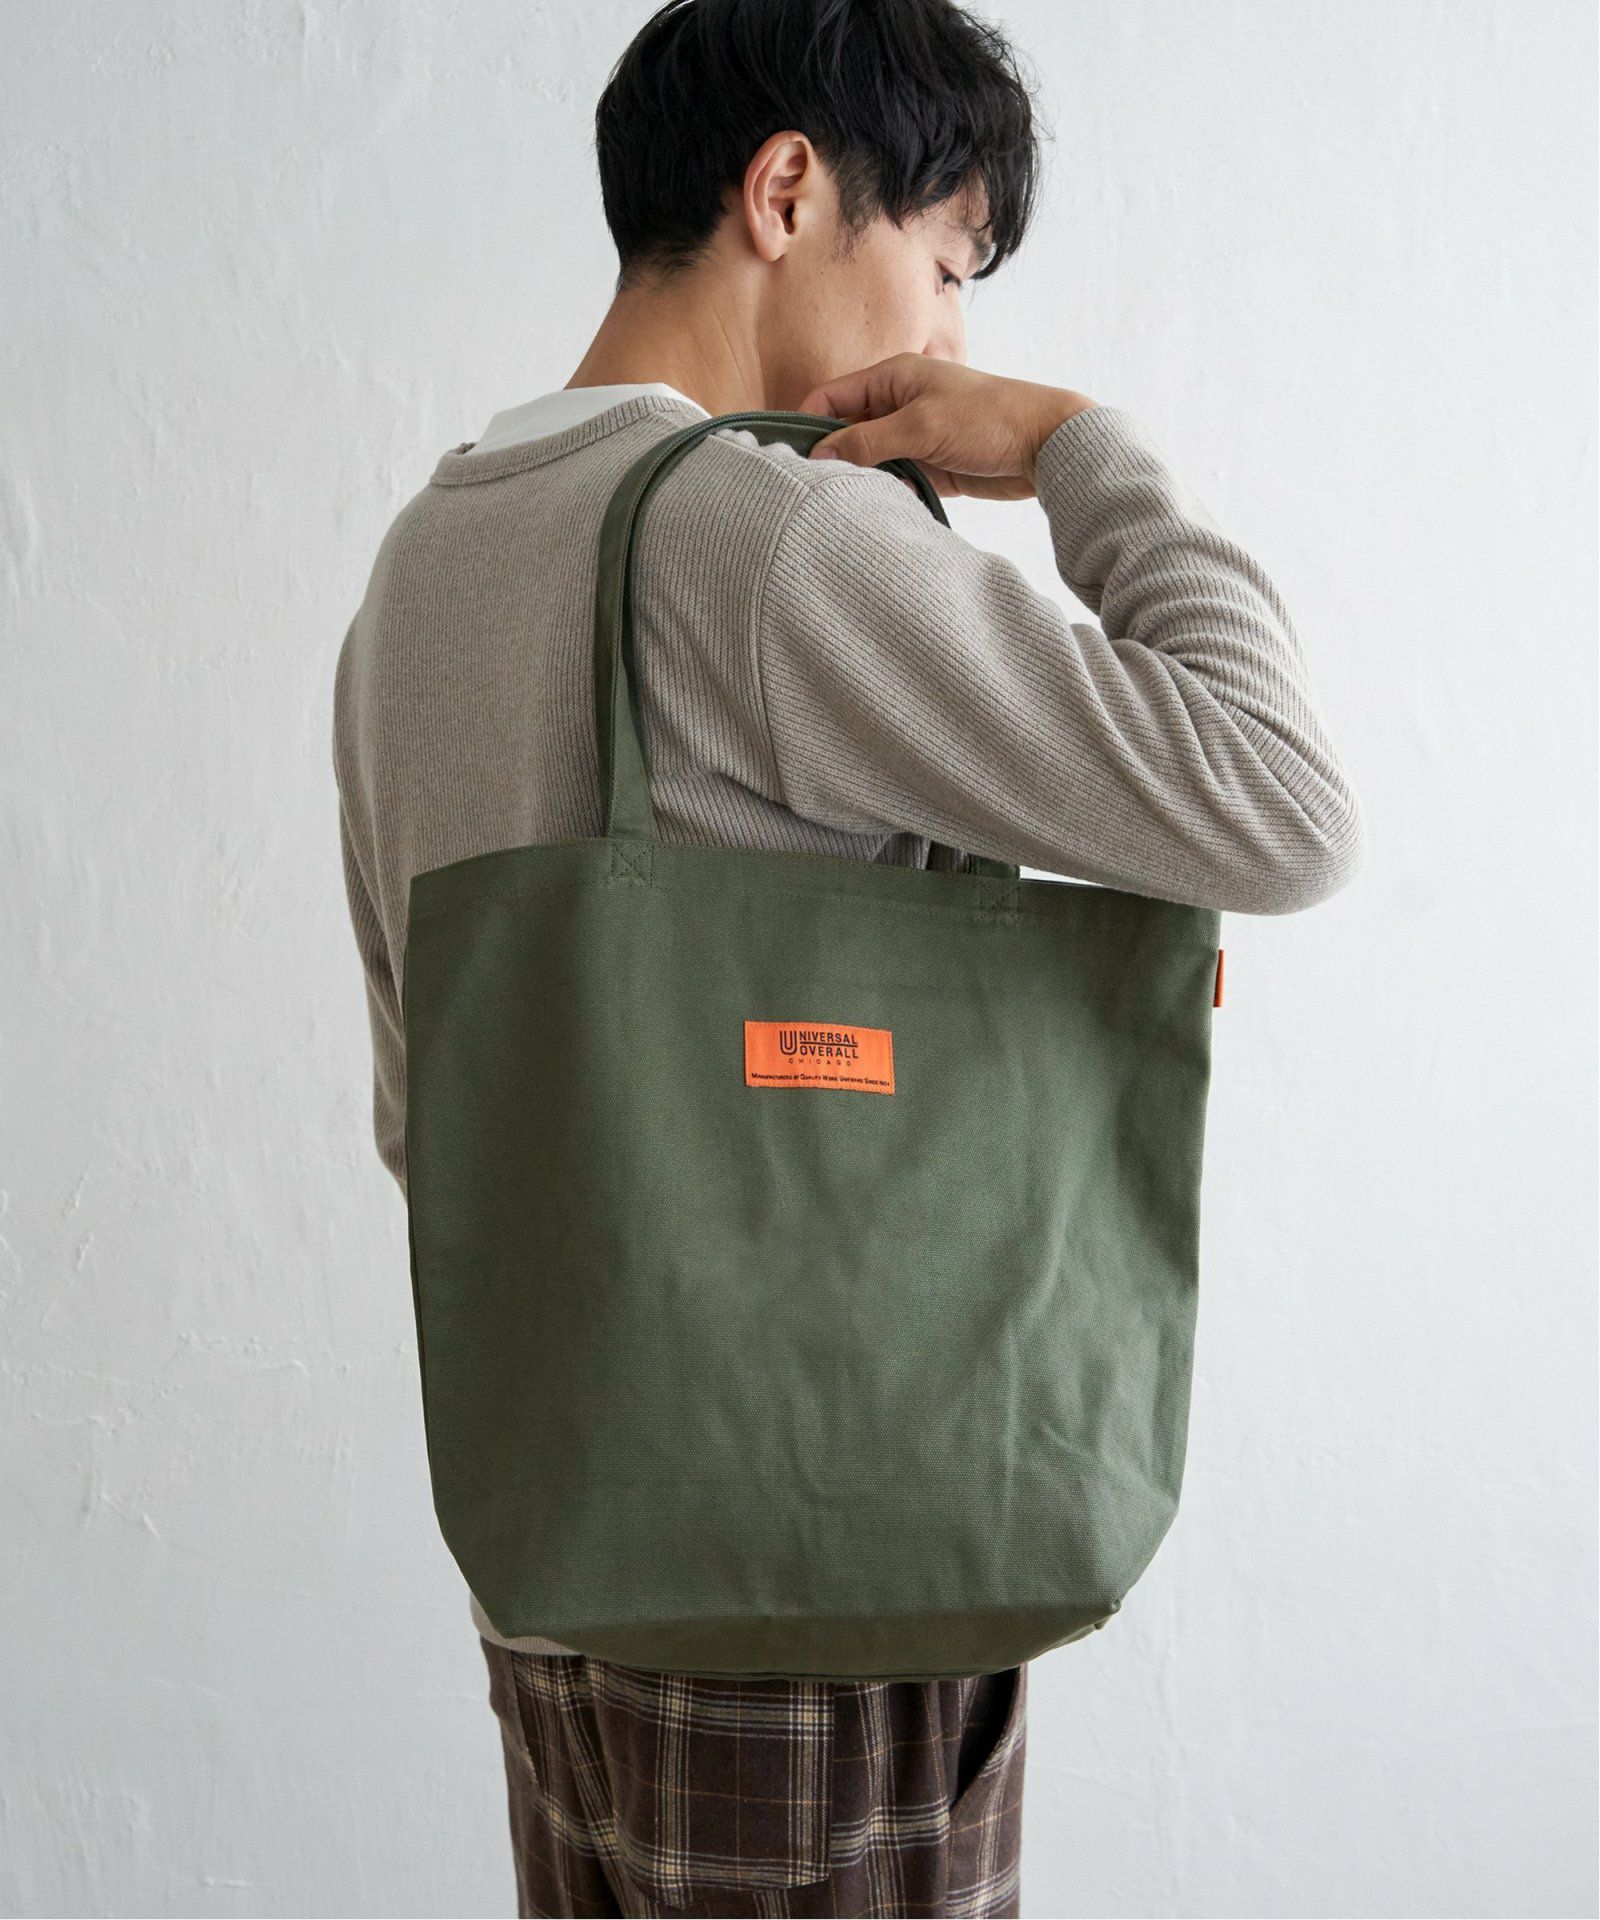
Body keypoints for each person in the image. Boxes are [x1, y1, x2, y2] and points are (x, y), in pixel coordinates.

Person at [331, 0, 1367, 1912]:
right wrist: (1077, 450)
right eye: (951, 265)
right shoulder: (767, 540)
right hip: (813, 1576)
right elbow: (1280, 799)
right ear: (790, 191)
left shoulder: (425, 559)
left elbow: (435, 1113)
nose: (953, 343)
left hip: (561, 1560)